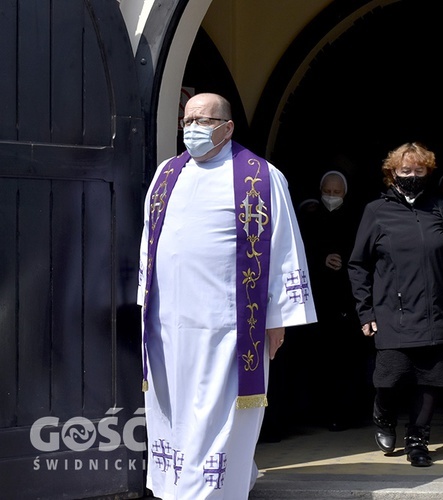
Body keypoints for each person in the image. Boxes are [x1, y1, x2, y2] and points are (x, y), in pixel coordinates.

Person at [137, 92, 317, 499]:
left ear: (228, 126)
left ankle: (217, 489)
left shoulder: (259, 175)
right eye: (188, 120)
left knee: (220, 411)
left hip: (231, 324)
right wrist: (143, 301)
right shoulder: (167, 173)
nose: (193, 129)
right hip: (170, 323)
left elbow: (283, 246)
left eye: (203, 120)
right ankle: (177, 484)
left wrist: (278, 318)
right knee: (174, 405)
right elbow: (150, 241)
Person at [348, 142, 443, 467]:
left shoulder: (442, 207)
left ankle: (418, 439)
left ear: (428, 173)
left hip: (437, 311)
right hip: (391, 312)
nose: (412, 176)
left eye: (419, 171)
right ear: (392, 174)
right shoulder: (376, 211)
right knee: (390, 376)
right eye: (406, 171)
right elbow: (358, 265)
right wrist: (366, 311)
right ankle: (383, 413)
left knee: (431, 380)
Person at [297, 170, 370, 431]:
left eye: (336, 193)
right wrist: (321, 261)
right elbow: (300, 251)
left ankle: (347, 412)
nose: (331, 197)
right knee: (319, 361)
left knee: (348, 362)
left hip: (347, 302)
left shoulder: (355, 220)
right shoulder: (309, 220)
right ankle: (319, 412)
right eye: (327, 192)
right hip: (319, 301)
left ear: (345, 194)